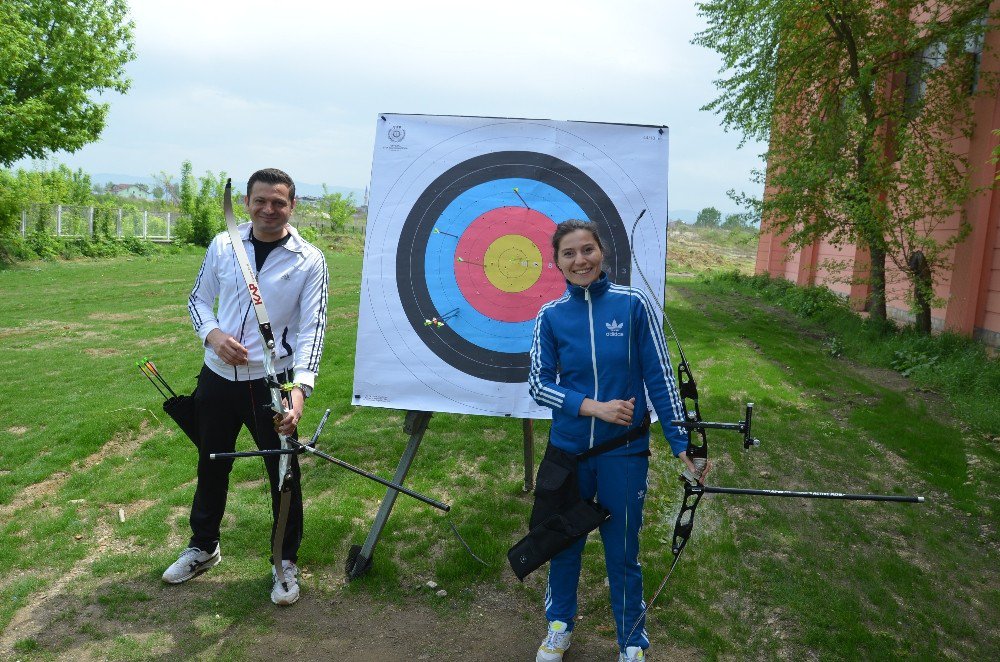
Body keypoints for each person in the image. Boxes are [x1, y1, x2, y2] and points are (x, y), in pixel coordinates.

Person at [528, 219, 707, 662]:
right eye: (568, 254)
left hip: (623, 452)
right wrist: (594, 407)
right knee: (563, 543)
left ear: (601, 253)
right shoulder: (550, 316)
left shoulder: (633, 305)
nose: (580, 260)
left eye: (587, 250)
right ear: (558, 264)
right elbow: (537, 384)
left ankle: (631, 641)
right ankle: (559, 626)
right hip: (569, 454)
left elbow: (661, 377)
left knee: (622, 550)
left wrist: (681, 440)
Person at [162, 168, 328, 606]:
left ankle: (284, 561)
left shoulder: (309, 259)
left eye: (278, 202)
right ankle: (203, 546)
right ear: (249, 202)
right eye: (260, 201)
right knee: (211, 462)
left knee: (283, 475)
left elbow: (313, 328)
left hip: (271, 382)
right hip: (216, 378)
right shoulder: (223, 243)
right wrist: (212, 336)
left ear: (292, 206)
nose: (268, 210)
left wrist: (300, 392)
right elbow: (198, 300)